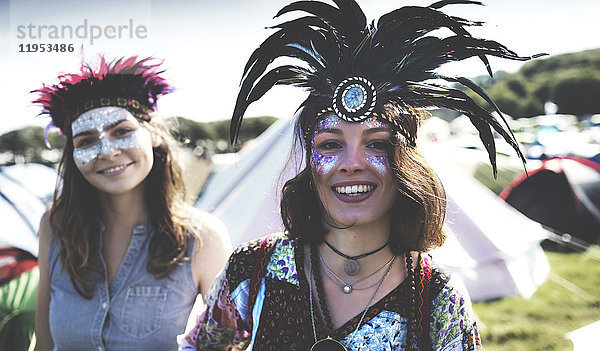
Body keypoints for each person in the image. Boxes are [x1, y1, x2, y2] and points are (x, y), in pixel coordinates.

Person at [180, 1, 544, 350]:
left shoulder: (436, 296)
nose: (351, 163)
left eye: (377, 144)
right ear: (308, 163)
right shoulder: (252, 269)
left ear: (407, 163)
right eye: (330, 145)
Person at [32, 56, 231, 351]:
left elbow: (230, 343)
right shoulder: (55, 226)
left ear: (152, 135)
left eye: (122, 131)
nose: (108, 151)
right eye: (86, 141)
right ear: (72, 155)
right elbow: (44, 345)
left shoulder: (203, 238)